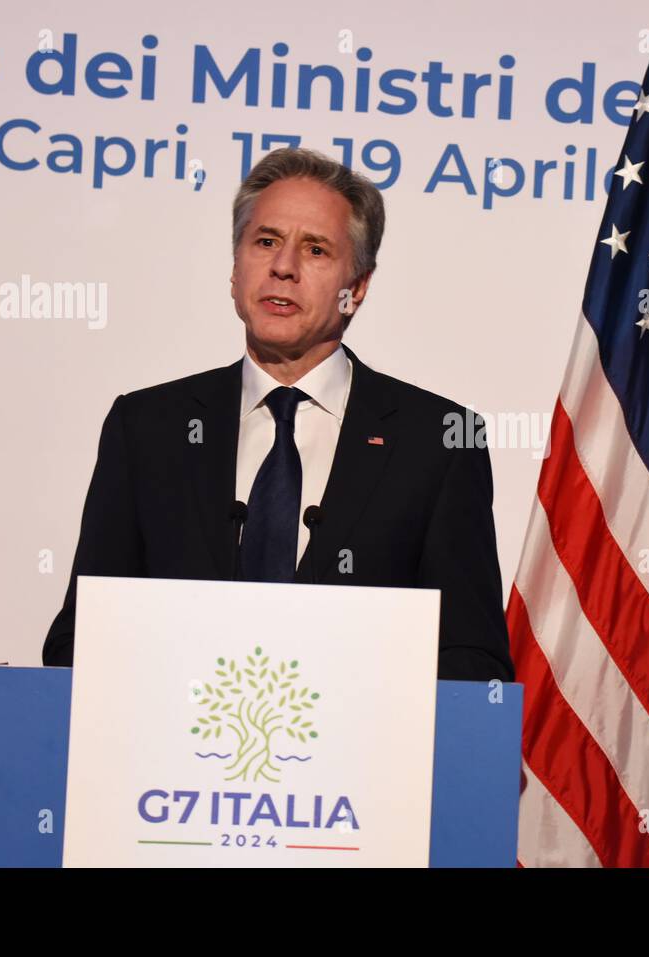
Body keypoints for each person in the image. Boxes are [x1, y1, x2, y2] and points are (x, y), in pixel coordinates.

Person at [42, 147, 514, 682]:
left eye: (315, 250)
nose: (283, 267)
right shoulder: (146, 428)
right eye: (265, 241)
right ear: (235, 267)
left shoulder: (438, 442)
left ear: (355, 288)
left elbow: (471, 659)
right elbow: (80, 637)